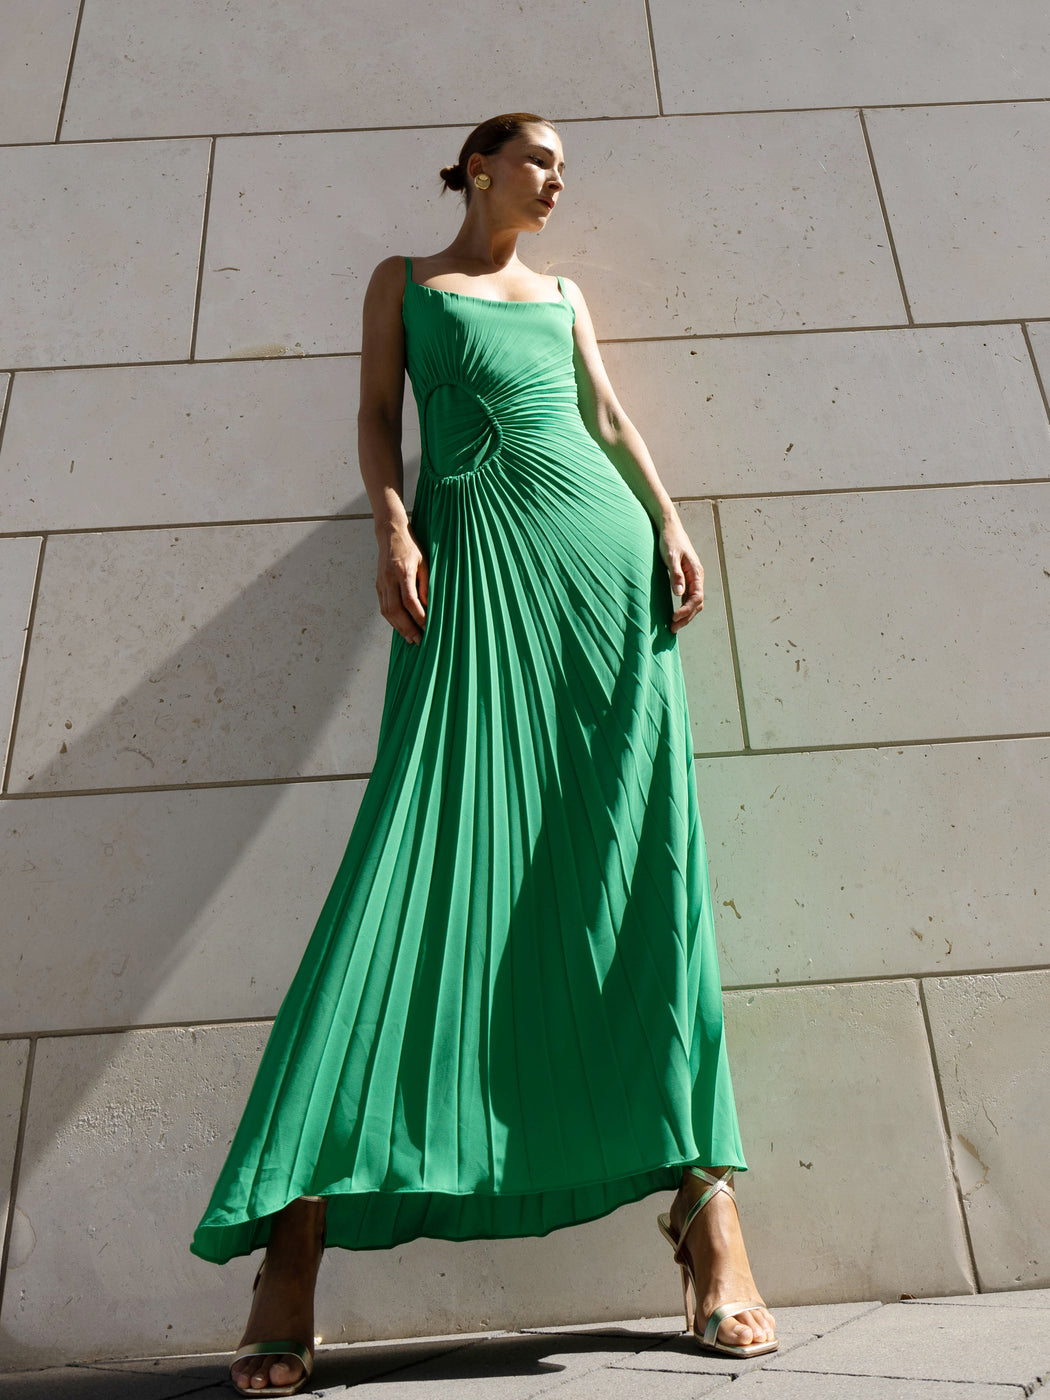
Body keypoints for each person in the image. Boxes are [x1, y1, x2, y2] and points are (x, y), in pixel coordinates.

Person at [191, 111, 777, 1396]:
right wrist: (392, 528)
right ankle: (295, 1233)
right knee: (413, 871)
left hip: (602, 571)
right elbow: (371, 418)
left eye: (565, 166)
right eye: (537, 161)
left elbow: (610, 422)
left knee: (638, 872)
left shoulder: (561, 293)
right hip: (470, 573)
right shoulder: (404, 284)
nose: (557, 180)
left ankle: (704, 1201)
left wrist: (671, 523)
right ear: (474, 167)